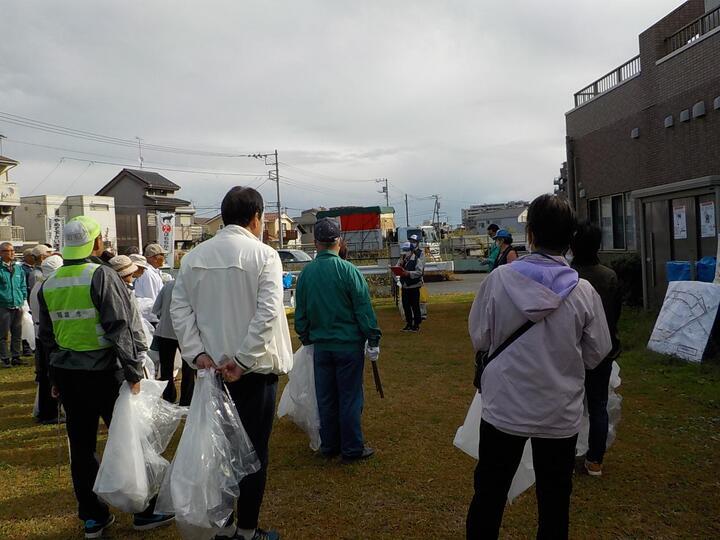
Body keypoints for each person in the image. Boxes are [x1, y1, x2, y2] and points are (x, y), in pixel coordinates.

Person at [466, 194, 612, 540]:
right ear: (570, 237)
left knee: (489, 495)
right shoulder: (584, 292)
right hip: (558, 413)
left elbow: (480, 337)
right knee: (555, 501)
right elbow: (597, 353)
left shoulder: (499, 280)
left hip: (504, 407)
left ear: (529, 234)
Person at [38, 217, 173, 538]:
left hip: (69, 375)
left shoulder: (51, 282)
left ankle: (93, 517)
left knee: (82, 448)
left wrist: (53, 379)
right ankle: (143, 511)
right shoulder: (101, 275)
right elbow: (119, 326)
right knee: (129, 441)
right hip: (106, 373)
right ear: (96, 243)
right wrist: (133, 371)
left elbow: (47, 338)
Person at [171, 186, 293, 540]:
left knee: (220, 451)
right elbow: (269, 312)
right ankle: (247, 528)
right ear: (256, 218)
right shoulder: (265, 256)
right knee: (254, 453)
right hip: (252, 373)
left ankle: (223, 528)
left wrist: (198, 354)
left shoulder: (194, 257)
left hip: (211, 372)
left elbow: (179, 310)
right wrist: (242, 359)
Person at [294, 218, 382, 463]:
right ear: (338, 241)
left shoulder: (306, 274)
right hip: (348, 346)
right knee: (350, 397)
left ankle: (330, 444)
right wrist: (373, 339)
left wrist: (306, 337)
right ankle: (352, 447)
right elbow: (363, 310)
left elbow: (300, 314)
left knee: (326, 397)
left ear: (316, 243)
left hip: (321, 347)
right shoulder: (348, 271)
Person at [570, 222, 622, 477]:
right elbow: (615, 316)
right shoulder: (608, 276)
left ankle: (568, 456)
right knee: (598, 405)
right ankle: (595, 461)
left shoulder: (568, 276)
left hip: (571, 352)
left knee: (570, 405)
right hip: (603, 352)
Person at [29, 254, 63, 423]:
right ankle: (48, 412)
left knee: (45, 375)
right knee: (49, 376)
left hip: (41, 335)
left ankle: (47, 411)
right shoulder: (45, 288)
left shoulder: (39, 285)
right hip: (46, 337)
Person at [153, 280, 195, 405]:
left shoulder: (168, 285)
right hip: (186, 333)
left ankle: (168, 399)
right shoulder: (194, 284)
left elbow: (156, 309)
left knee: (166, 369)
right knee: (189, 369)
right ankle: (186, 401)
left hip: (165, 332)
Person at [0, 242, 28, 367]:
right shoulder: (1, 268)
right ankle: (5, 358)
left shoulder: (18, 268)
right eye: (8, 251)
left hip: (17, 304)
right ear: (1, 253)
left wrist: (23, 297)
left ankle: (16, 356)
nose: (11, 253)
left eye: (12, 250)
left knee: (17, 333)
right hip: (3, 305)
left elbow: (22, 284)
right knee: (3, 334)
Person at [397, 235, 425, 332]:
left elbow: (419, 272)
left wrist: (408, 273)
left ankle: (416, 324)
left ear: (411, 250)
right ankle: (408, 323)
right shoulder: (402, 259)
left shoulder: (417, 259)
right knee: (406, 306)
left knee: (415, 306)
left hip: (414, 286)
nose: (405, 253)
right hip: (405, 286)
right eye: (404, 250)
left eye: (407, 250)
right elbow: (397, 268)